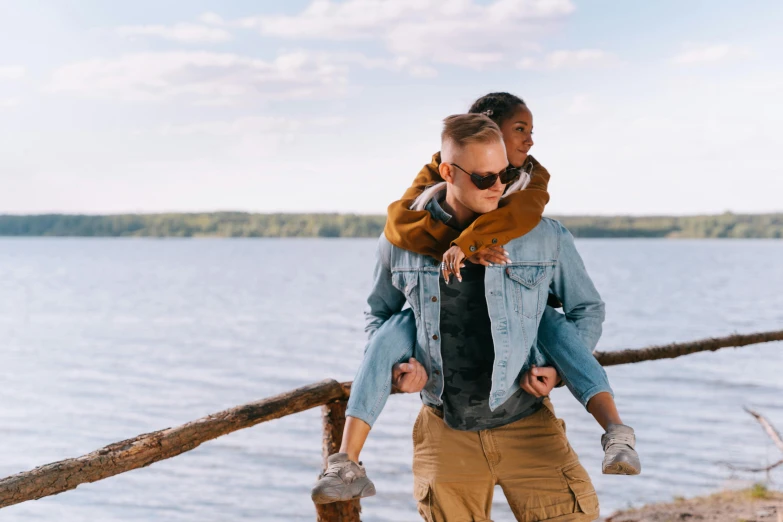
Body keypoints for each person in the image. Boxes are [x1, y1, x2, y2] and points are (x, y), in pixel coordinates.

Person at [311, 96, 640, 510]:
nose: (498, 187)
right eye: (484, 179)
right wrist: (401, 370)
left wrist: (555, 371)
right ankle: (345, 464)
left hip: (528, 423)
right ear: (448, 171)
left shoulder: (542, 234)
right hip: (444, 430)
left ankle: (617, 433)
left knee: (549, 325)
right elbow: (379, 314)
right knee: (398, 327)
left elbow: (586, 309)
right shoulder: (402, 239)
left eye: (503, 175)